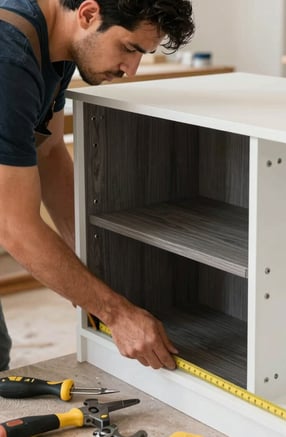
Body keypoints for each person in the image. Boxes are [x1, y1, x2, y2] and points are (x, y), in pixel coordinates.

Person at [0, 0, 194, 371]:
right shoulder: (8, 54)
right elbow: (14, 227)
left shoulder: (59, 43)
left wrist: (91, 269)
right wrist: (115, 313)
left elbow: (51, 150)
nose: (130, 70)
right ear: (89, 14)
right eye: (129, 48)